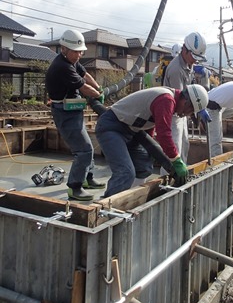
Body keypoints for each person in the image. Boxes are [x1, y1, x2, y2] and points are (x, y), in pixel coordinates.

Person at [95, 84, 209, 197]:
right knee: (126, 172)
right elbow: (164, 134)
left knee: (144, 166)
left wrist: (149, 149)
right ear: (186, 103)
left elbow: (150, 123)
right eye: (189, 112)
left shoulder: (169, 99)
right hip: (112, 127)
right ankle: (107, 209)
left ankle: (132, 199)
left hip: (131, 130)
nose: (186, 115)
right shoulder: (166, 100)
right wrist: (176, 160)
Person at [45, 29, 106, 201]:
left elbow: (85, 75)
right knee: (83, 150)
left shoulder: (71, 61)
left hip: (73, 110)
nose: (79, 54)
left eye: (81, 51)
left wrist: (99, 88)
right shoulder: (62, 66)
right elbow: (83, 87)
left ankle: (87, 178)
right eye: (76, 51)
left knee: (87, 145)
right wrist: (97, 94)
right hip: (64, 113)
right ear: (64, 49)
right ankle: (75, 187)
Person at [162, 32, 207, 164]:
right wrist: (197, 111)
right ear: (185, 49)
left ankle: (181, 177)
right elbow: (182, 101)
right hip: (173, 113)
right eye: (194, 57)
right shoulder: (176, 69)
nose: (195, 61)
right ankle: (169, 178)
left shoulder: (188, 64)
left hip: (182, 113)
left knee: (184, 145)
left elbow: (190, 90)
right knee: (174, 149)